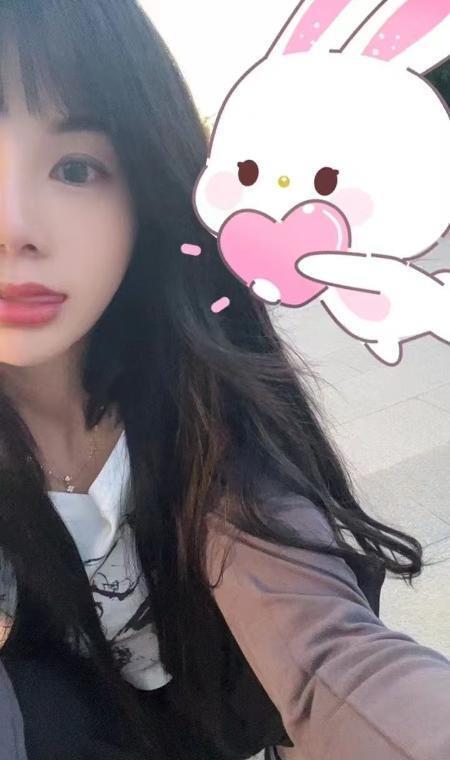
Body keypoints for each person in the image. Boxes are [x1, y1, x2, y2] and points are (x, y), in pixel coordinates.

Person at [0, 2, 449, 759]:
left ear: (144, 194)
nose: (14, 226)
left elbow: (331, 659)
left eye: (75, 168)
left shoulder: (201, 388)